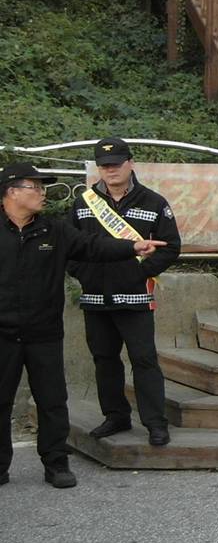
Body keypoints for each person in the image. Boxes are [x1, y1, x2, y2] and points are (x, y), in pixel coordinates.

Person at [1, 163, 163, 488]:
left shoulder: (54, 230)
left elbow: (92, 245)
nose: (43, 193)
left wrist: (132, 246)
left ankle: (56, 463)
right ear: (12, 192)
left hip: (44, 333)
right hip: (2, 335)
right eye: (36, 187)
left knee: (52, 401)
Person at [70, 138, 182, 447]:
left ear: (130, 163)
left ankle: (155, 423)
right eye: (104, 165)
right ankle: (116, 416)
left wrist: (140, 273)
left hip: (135, 298)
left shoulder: (154, 202)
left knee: (144, 360)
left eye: (116, 164)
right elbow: (70, 246)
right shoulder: (83, 203)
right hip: (95, 298)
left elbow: (171, 246)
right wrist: (84, 273)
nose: (111, 170)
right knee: (104, 359)